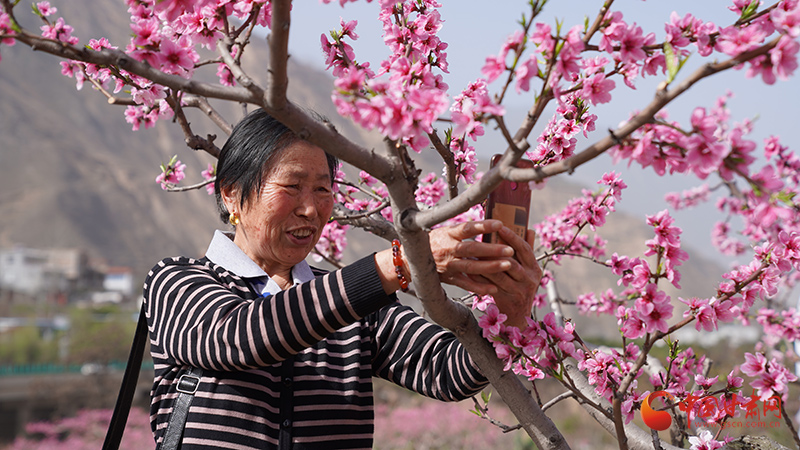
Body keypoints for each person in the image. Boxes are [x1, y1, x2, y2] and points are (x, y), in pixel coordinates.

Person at [143, 108, 542, 450]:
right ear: (231, 194)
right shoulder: (176, 281)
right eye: (292, 186)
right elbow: (241, 338)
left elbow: (446, 371)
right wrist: (399, 264)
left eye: (322, 189)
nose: (310, 208)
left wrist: (508, 311)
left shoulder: (355, 304)